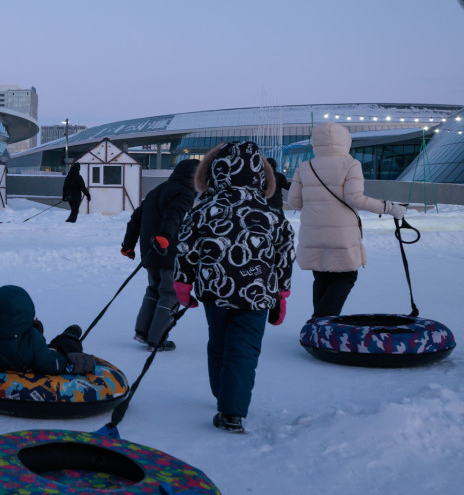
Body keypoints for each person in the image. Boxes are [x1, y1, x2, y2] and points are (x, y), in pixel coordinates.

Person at [173, 141, 295, 434]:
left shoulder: (204, 210)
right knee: (245, 349)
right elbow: (285, 253)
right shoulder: (273, 214)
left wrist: (183, 281)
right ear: (261, 178)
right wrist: (282, 291)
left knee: (219, 342)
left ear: (215, 174)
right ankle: (232, 411)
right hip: (258, 292)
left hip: (216, 290)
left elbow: (186, 247)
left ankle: (223, 394)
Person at [287, 122, 406, 319]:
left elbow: (294, 202)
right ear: (344, 142)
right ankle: (321, 324)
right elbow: (355, 198)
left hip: (313, 233)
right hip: (341, 234)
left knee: (322, 276)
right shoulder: (350, 164)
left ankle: (319, 326)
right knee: (346, 276)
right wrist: (389, 208)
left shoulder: (305, 167)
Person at [120, 158, 200, 351]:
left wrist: (128, 245)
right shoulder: (185, 193)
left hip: (150, 252)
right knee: (169, 294)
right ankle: (157, 340)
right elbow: (173, 214)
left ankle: (142, 332)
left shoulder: (157, 190)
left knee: (154, 289)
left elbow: (135, 219)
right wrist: (164, 236)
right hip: (167, 251)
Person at [0, 285, 96, 375]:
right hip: (43, 355)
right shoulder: (33, 340)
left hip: (25, 347)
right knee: (64, 345)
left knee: (28, 336)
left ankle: (32, 329)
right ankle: (70, 334)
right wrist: (68, 362)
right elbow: (50, 365)